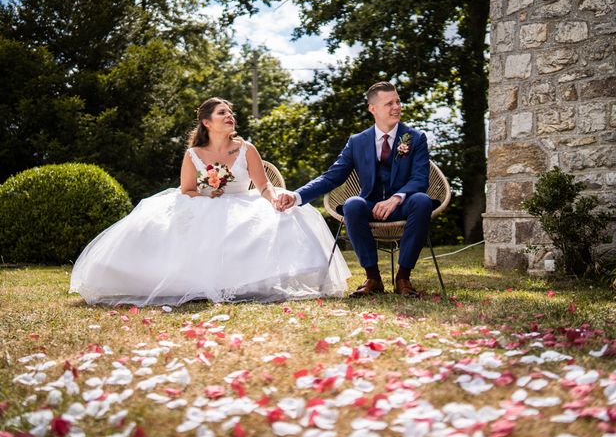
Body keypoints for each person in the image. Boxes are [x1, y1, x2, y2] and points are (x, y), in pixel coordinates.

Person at [70, 97, 350, 306]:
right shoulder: (194, 153)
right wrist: (208, 192)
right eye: (222, 113)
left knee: (289, 216)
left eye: (231, 112)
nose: (230, 116)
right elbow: (187, 190)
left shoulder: (246, 148)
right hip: (205, 203)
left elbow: (263, 185)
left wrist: (274, 199)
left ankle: (252, 282)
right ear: (207, 122)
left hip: (244, 201)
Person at [277, 81, 432, 298]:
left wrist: (396, 198)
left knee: (422, 200)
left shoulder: (415, 138)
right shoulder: (357, 141)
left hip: (403, 205)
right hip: (369, 204)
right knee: (352, 204)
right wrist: (296, 195)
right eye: (389, 103)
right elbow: (333, 176)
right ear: (373, 109)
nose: (397, 106)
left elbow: (420, 178)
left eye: (397, 101)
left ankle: (403, 278)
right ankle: (373, 278)